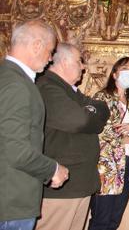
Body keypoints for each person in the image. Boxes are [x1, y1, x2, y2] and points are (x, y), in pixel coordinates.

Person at [0, 20, 69, 230]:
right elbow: (16, 150)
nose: (50, 59)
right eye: (50, 52)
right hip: (12, 200)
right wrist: (52, 169)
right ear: (37, 46)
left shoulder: (6, 76)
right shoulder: (17, 85)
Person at [36, 43, 110, 230]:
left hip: (78, 184)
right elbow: (80, 121)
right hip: (61, 189)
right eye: (79, 61)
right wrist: (91, 117)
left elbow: (102, 108)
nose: (83, 66)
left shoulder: (70, 90)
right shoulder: (48, 87)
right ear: (64, 62)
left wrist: (90, 112)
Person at [88, 56, 129, 230]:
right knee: (101, 218)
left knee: (114, 220)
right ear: (115, 74)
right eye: (125, 68)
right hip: (107, 165)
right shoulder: (102, 98)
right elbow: (98, 130)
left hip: (128, 164)